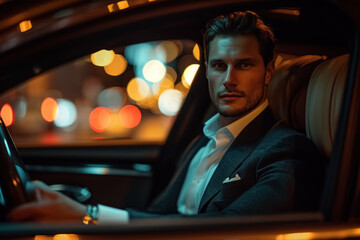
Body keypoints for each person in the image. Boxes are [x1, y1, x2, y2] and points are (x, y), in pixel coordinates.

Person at [8, 11, 324, 224]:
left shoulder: (288, 150)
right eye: (218, 66)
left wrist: (86, 215)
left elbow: (218, 232)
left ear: (268, 72)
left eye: (243, 65)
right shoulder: (204, 140)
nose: (229, 79)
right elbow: (158, 215)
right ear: (208, 73)